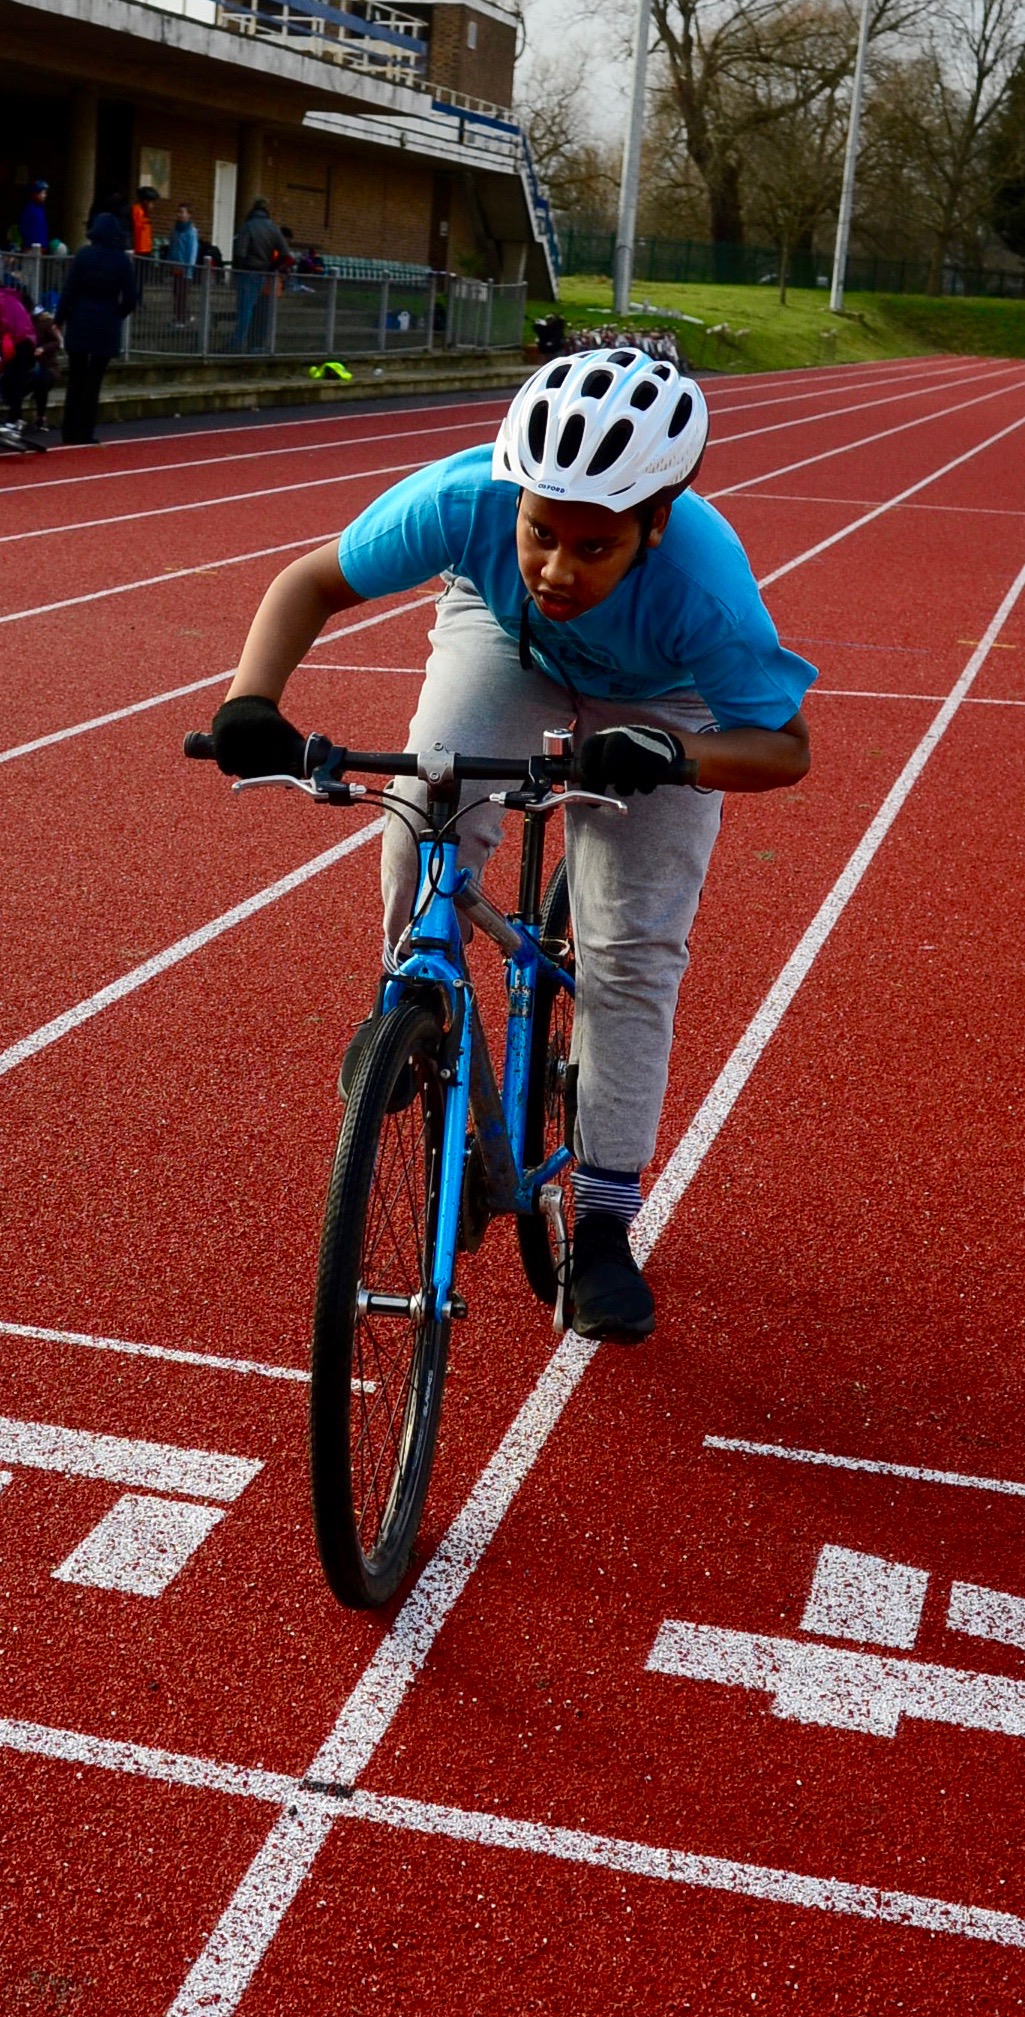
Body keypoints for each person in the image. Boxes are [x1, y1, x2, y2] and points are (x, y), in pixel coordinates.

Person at [205, 349, 815, 1343]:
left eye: (594, 545)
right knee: (424, 800)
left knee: (630, 951)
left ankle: (604, 1223)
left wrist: (676, 753)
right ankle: (407, 989)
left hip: (660, 698)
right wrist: (250, 701)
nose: (558, 568)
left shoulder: (702, 590)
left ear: (654, 525)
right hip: (504, 640)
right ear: (512, 499)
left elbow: (784, 749)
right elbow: (308, 582)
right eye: (539, 531)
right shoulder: (462, 501)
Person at [53, 212, 136, 444]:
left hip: (80, 319)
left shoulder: (84, 255)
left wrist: (60, 319)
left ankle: (69, 431)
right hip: (106, 322)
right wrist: (117, 315)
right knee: (94, 380)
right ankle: (85, 431)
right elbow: (130, 298)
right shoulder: (122, 261)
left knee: (76, 377)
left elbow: (69, 291)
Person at [232, 196, 291, 351]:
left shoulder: (248, 226)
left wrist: (237, 271)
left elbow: (240, 252)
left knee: (245, 311)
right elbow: (286, 254)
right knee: (260, 313)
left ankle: (236, 344)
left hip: (248, 272)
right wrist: (273, 267)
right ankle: (255, 345)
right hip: (266, 275)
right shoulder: (273, 228)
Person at [0, 284, 37, 441]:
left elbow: (4, 324)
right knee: (13, 381)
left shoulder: (2, 299)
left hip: (17, 342)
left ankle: (14, 419)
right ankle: (15, 418)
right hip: (25, 341)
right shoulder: (10, 297)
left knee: (12, 381)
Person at [165, 200, 199, 324]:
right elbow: (172, 247)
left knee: (182, 294)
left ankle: (181, 319)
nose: (179, 214)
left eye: (182, 212)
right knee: (176, 293)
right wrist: (170, 262)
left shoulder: (191, 231)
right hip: (175, 266)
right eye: (178, 212)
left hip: (185, 269)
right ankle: (182, 316)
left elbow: (192, 250)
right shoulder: (175, 230)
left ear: (189, 214)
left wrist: (188, 267)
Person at [130, 185, 159, 303]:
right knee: (137, 278)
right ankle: (135, 299)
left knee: (141, 278)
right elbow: (136, 230)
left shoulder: (143, 212)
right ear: (145, 201)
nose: (153, 206)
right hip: (139, 250)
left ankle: (139, 299)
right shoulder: (137, 211)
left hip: (145, 249)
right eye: (152, 203)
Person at [19, 180, 49, 250]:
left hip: (41, 247)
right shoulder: (29, 210)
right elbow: (24, 228)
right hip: (31, 247)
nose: (45, 195)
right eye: (43, 193)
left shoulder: (41, 209)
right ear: (35, 193)